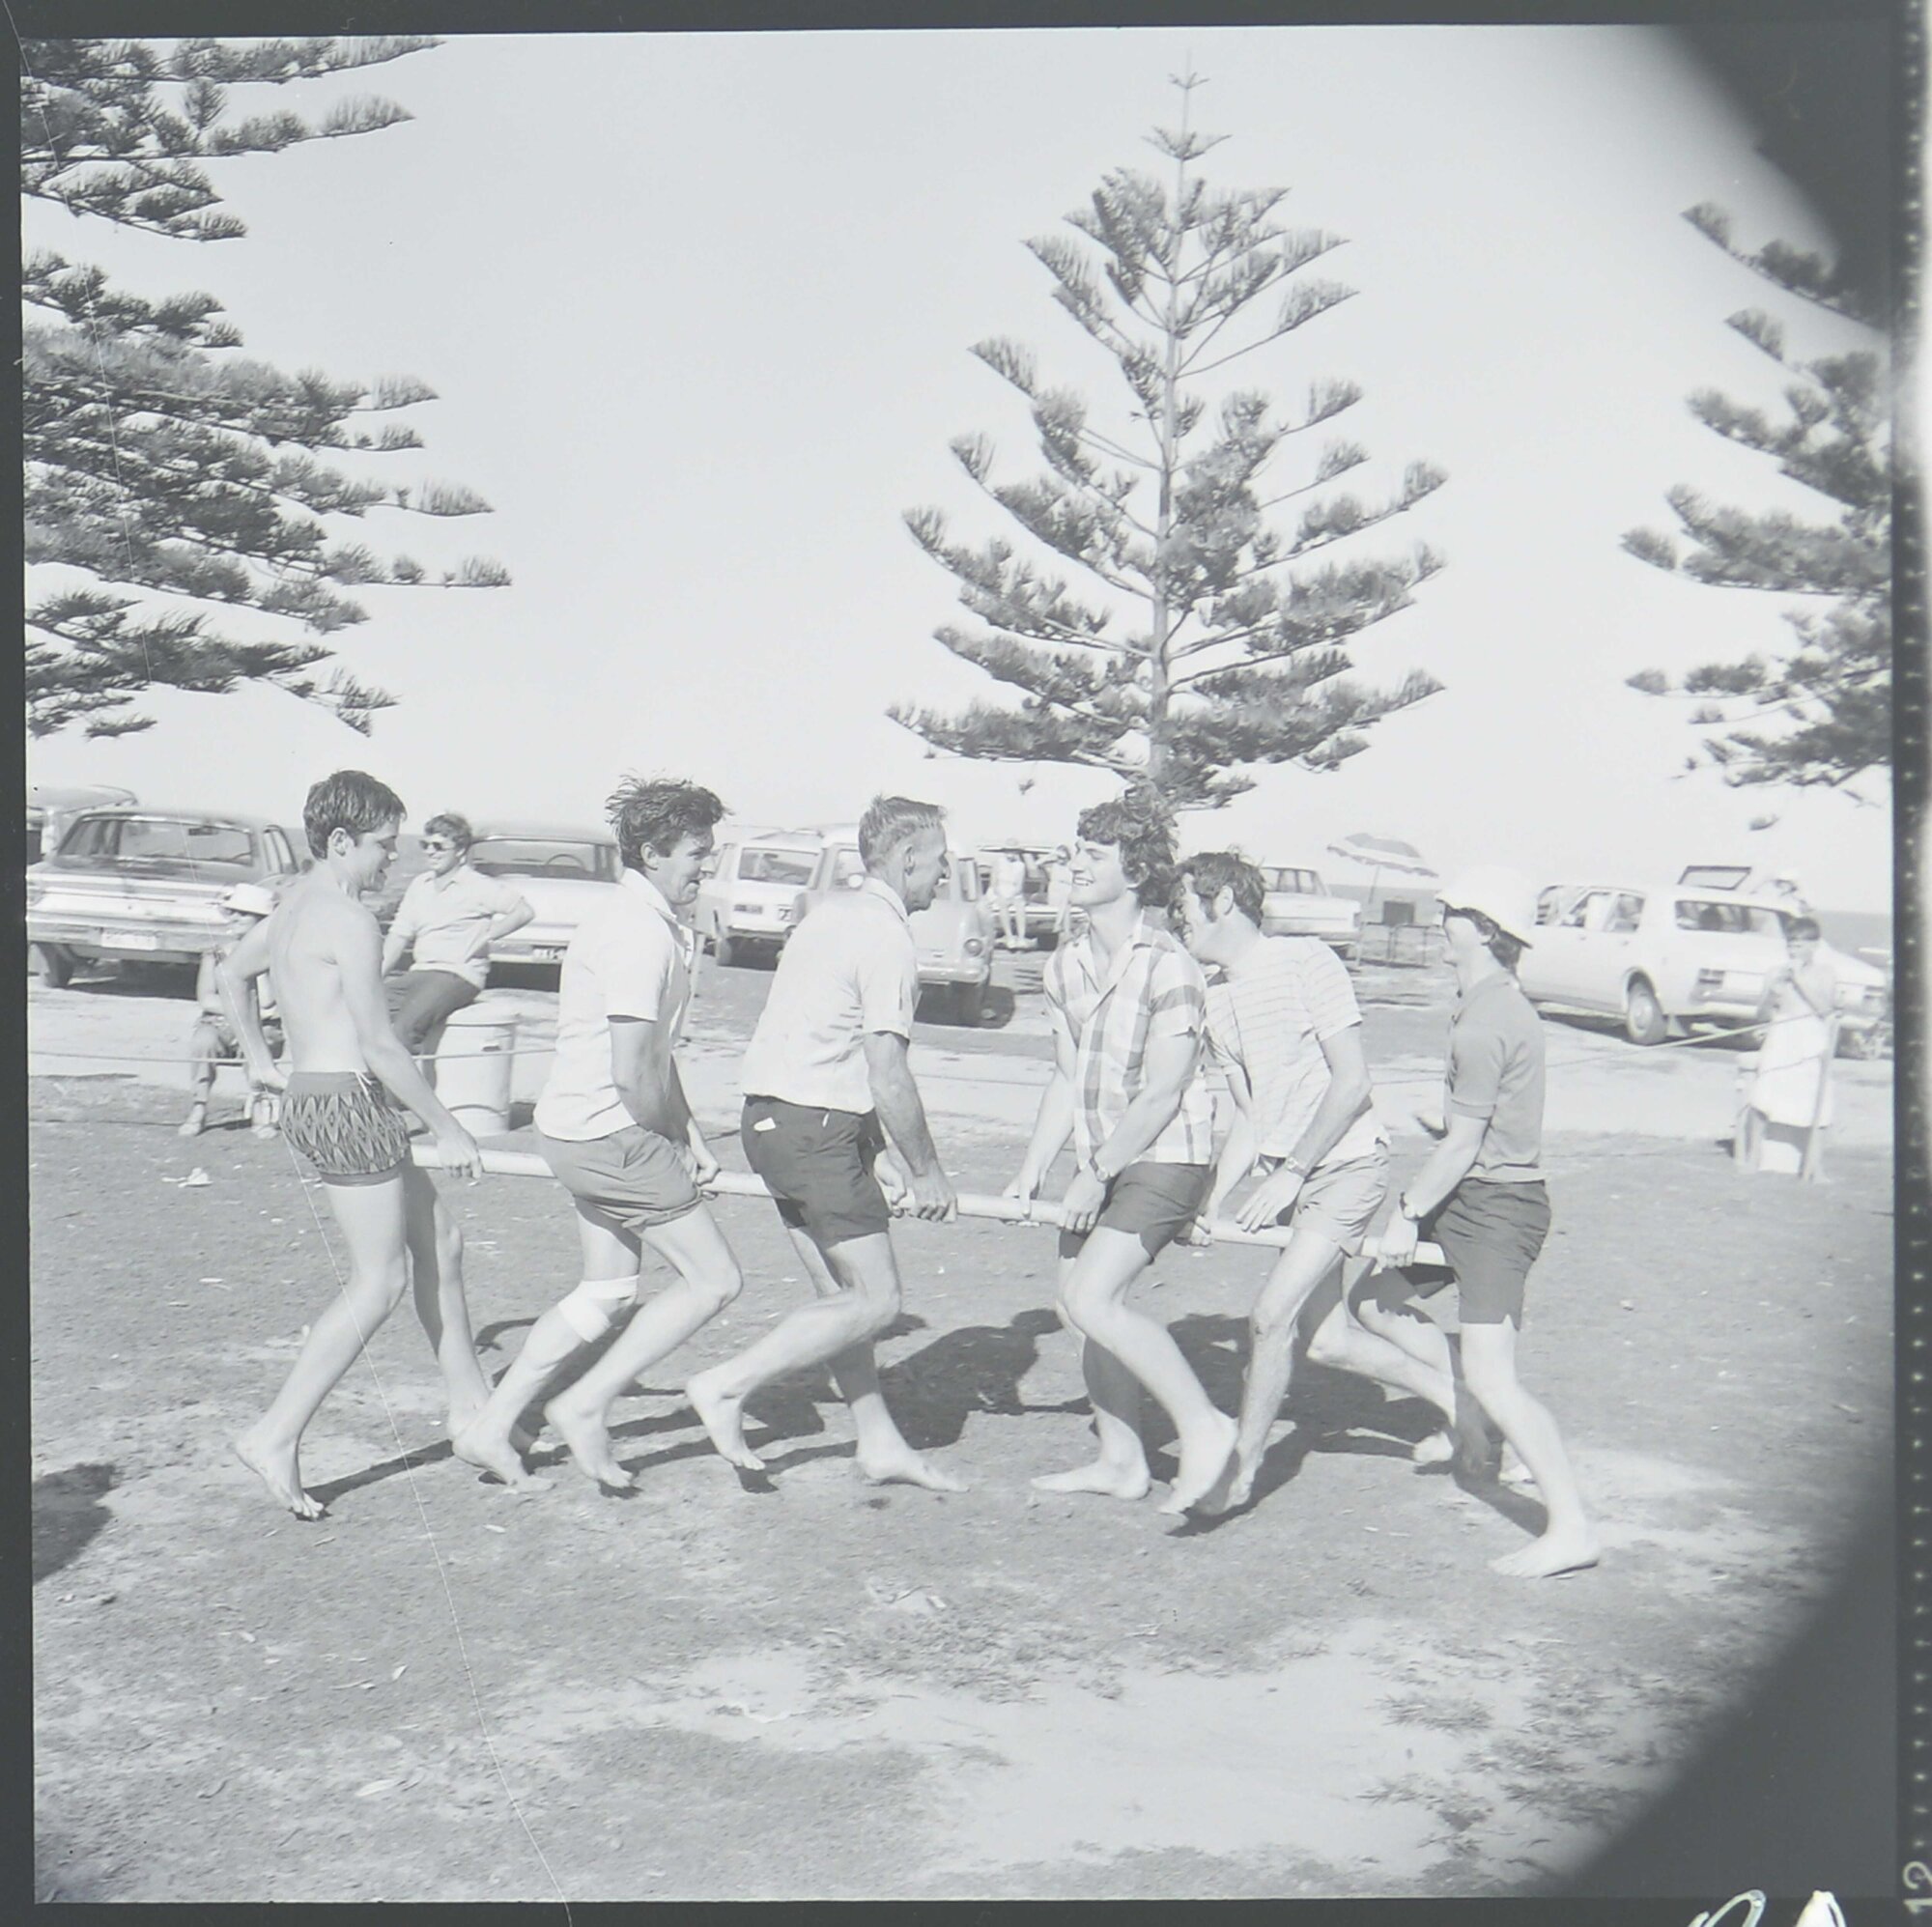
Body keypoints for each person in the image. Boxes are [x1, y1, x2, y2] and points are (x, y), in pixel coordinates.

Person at [451, 778, 747, 1491]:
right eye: (696, 853)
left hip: (579, 1129)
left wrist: (691, 1135)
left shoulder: (649, 920)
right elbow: (631, 1070)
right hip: (611, 1133)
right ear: (653, 852)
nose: (706, 866)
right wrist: (665, 1142)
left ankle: (492, 1425)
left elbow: (656, 1055)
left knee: (607, 1291)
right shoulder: (637, 932)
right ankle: (584, 1404)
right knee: (715, 1280)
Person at [218, 772, 492, 1518]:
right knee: (380, 1282)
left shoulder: (290, 909)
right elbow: (380, 1044)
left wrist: (257, 1058)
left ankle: (475, 1410)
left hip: (323, 1096)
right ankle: (274, 1434)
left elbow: (232, 973)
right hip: (347, 1102)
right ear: (340, 841)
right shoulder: (348, 918)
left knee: (443, 1242)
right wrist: (448, 1125)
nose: (391, 861)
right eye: (382, 846)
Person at [684, 796, 965, 1492]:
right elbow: (886, 1071)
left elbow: (817, 1040)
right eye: (939, 860)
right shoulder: (887, 936)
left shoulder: (827, 915)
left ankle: (878, 1442)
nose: (945, 873)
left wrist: (872, 1152)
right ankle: (726, 1385)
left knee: (841, 1299)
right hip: (814, 1130)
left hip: (772, 1122)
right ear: (907, 858)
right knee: (877, 1300)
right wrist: (925, 1170)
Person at [1171, 851, 1461, 1511]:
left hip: (1349, 1166)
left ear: (1223, 902)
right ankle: (1461, 1399)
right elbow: (1250, 1118)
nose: (1174, 918)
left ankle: (1238, 1474)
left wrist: (1294, 1169)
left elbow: (1352, 1081)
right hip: (1294, 1179)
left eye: (1182, 904)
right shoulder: (1215, 998)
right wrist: (1209, 1199)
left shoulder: (1307, 961)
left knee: (1269, 1317)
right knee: (1326, 1341)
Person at [1365, 867, 1600, 1578]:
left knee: (1497, 1377)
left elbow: (1466, 1143)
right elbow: (1476, 1127)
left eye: (1454, 913)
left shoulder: (1488, 1018)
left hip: (1499, 1209)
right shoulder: (1488, 1004)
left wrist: (1407, 1211)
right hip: (1468, 1195)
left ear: (1485, 930)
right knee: (1375, 1299)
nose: (1442, 922)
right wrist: (1444, 1135)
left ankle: (1571, 1528)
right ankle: (1470, 1410)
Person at [1007, 788, 1236, 1516]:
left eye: (1094, 854)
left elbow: (1165, 1091)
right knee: (1076, 1307)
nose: (1075, 865)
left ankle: (1206, 1427)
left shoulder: (1171, 966)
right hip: (1102, 1159)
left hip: (1166, 1157)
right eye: (1076, 851)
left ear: (1135, 872)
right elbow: (1065, 1075)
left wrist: (1096, 1173)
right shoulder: (1065, 966)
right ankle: (1121, 1461)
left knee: (1091, 1297)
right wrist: (1033, 1168)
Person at [381, 812, 534, 1063]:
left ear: (460, 851)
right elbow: (399, 935)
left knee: (405, 1028)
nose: (430, 851)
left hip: (458, 974)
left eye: (439, 846)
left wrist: (487, 935)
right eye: (425, 845)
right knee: (365, 1012)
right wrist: (375, 976)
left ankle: (398, 1089)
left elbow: (523, 911)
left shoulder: (478, 885)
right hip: (420, 972)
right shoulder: (420, 885)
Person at [180, 883, 285, 1140]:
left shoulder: (276, 954)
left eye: (243, 913)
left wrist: (258, 958)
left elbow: (269, 1002)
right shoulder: (216, 952)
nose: (235, 918)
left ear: (261, 921)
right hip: (220, 1022)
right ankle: (198, 1108)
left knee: (263, 1043)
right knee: (203, 1042)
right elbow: (207, 999)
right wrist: (240, 1011)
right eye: (232, 912)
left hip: (262, 1025)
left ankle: (262, 1110)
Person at [1740, 914, 1838, 1176]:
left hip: (1811, 1037)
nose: (1793, 950)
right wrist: (1772, 992)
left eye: (1799, 944)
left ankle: (1814, 1167)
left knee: (1817, 1099)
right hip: (1781, 1035)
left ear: (1814, 945)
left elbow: (1825, 1010)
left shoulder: (1825, 973)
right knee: (1764, 1095)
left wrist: (1798, 980)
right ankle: (1753, 1158)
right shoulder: (1775, 972)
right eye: (1790, 944)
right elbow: (1760, 1015)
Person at [989, 848, 1030, 949]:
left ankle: (1021, 938)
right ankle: (1009, 936)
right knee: (1003, 905)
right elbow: (993, 882)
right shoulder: (998, 862)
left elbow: (1019, 885)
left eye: (1012, 851)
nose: (1010, 854)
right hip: (1000, 890)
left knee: (1020, 907)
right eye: (1008, 851)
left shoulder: (1020, 865)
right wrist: (999, 894)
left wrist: (1012, 895)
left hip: (1014, 891)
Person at [1045, 849, 1075, 943]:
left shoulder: (1070, 867)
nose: (1061, 860)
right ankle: (1065, 931)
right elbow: (1038, 863)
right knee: (1066, 906)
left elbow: (1071, 881)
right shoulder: (1053, 866)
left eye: (1063, 858)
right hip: (1055, 892)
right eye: (1059, 858)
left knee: (1066, 904)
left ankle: (1059, 926)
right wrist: (1052, 854)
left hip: (1066, 890)